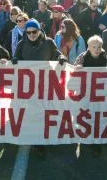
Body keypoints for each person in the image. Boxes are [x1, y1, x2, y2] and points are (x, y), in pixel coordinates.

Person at [12, 18, 66, 157]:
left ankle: (41, 140)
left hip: (45, 83)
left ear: (39, 31)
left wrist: (61, 58)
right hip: (28, 85)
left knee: (43, 111)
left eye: (34, 32)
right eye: (28, 32)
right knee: (30, 111)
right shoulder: (21, 44)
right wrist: (14, 60)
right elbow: (16, 57)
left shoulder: (48, 42)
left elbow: (57, 53)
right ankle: (33, 136)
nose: (31, 35)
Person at [74, 35, 107, 157]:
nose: (97, 49)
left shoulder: (106, 59)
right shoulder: (82, 57)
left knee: (98, 117)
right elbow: (73, 72)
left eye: (99, 47)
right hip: (85, 93)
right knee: (85, 116)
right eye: (94, 47)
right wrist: (77, 68)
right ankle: (84, 140)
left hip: (100, 94)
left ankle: (97, 145)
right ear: (89, 47)